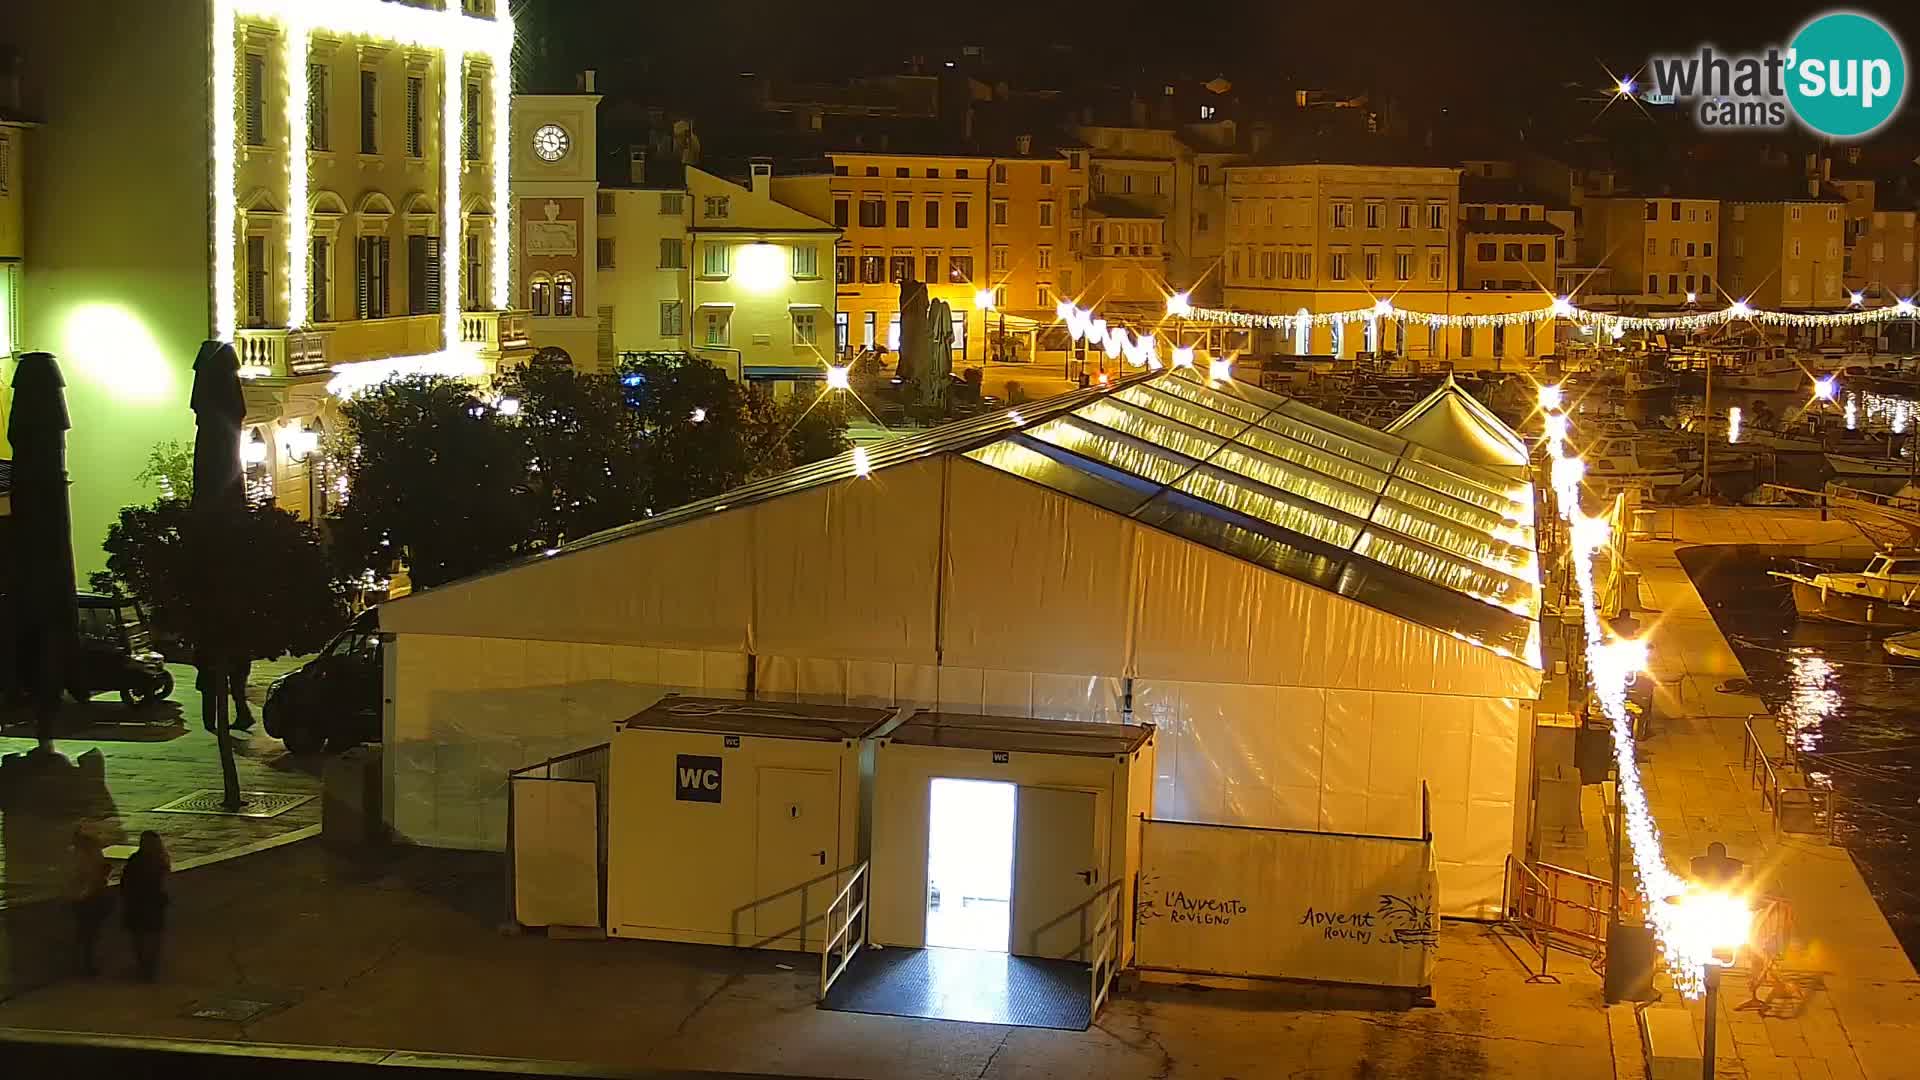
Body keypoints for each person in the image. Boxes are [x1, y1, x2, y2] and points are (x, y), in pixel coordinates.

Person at [121, 831, 170, 981]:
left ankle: (143, 967)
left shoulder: (135, 860)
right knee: (153, 938)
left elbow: (125, 883)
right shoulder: (161, 861)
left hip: (137, 905)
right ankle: (150, 969)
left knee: (140, 939)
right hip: (154, 905)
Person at [69, 826, 114, 975]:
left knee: (87, 935)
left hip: (88, 899)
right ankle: (86, 965)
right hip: (90, 899)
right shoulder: (89, 856)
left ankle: (85, 964)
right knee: (89, 935)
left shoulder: (82, 856)